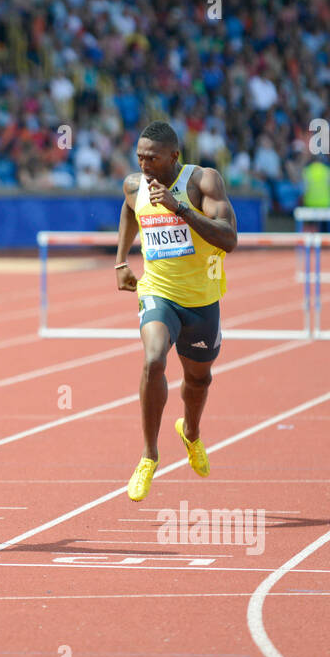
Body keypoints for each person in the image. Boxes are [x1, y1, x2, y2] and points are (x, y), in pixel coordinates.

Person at [115, 121, 238, 502]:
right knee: (153, 361)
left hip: (202, 300)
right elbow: (129, 213)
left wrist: (180, 209)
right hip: (158, 292)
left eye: (151, 158)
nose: (144, 164)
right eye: (139, 157)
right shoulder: (134, 185)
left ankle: (192, 433)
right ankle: (149, 455)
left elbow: (229, 238)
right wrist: (121, 261)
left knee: (198, 380)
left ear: (174, 156)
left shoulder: (202, 181)